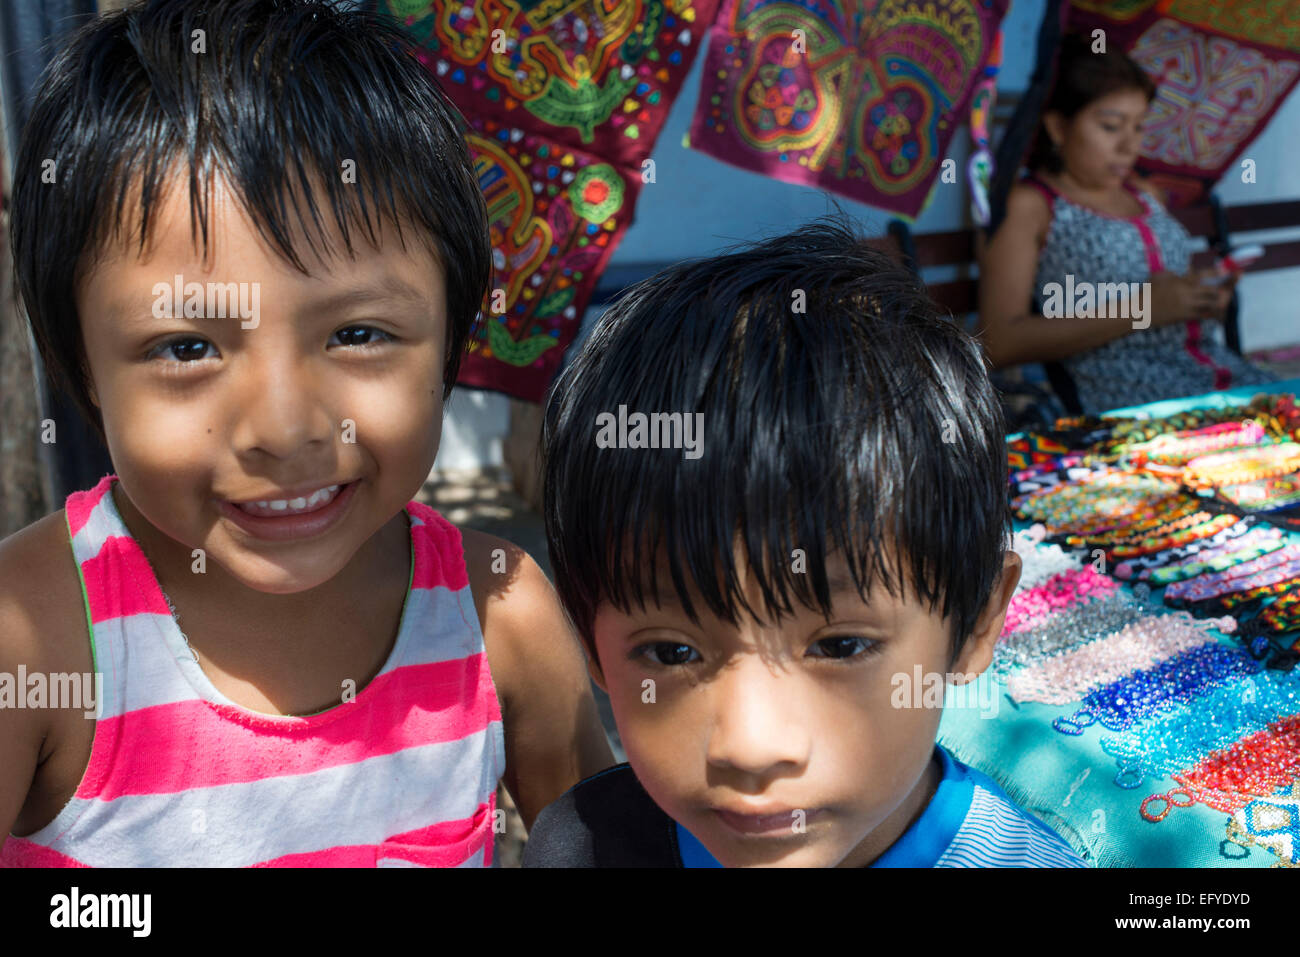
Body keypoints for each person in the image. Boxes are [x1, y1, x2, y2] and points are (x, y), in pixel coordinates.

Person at [0, 0, 612, 867]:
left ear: (452, 340)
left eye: (357, 334)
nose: (284, 429)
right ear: (80, 366)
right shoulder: (34, 637)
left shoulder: (499, 618)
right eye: (186, 346)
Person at [523, 217, 1087, 867]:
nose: (752, 746)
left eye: (841, 644)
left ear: (978, 621)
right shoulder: (587, 845)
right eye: (671, 650)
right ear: (591, 640)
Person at [978, 34, 1274, 414]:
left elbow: (1165, 294)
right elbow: (998, 343)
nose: (1129, 146)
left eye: (1137, 126)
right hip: (1138, 402)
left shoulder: (1146, 194)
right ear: (1057, 127)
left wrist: (1202, 296)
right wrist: (1142, 310)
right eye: (1111, 126)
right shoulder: (1032, 206)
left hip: (1221, 378)